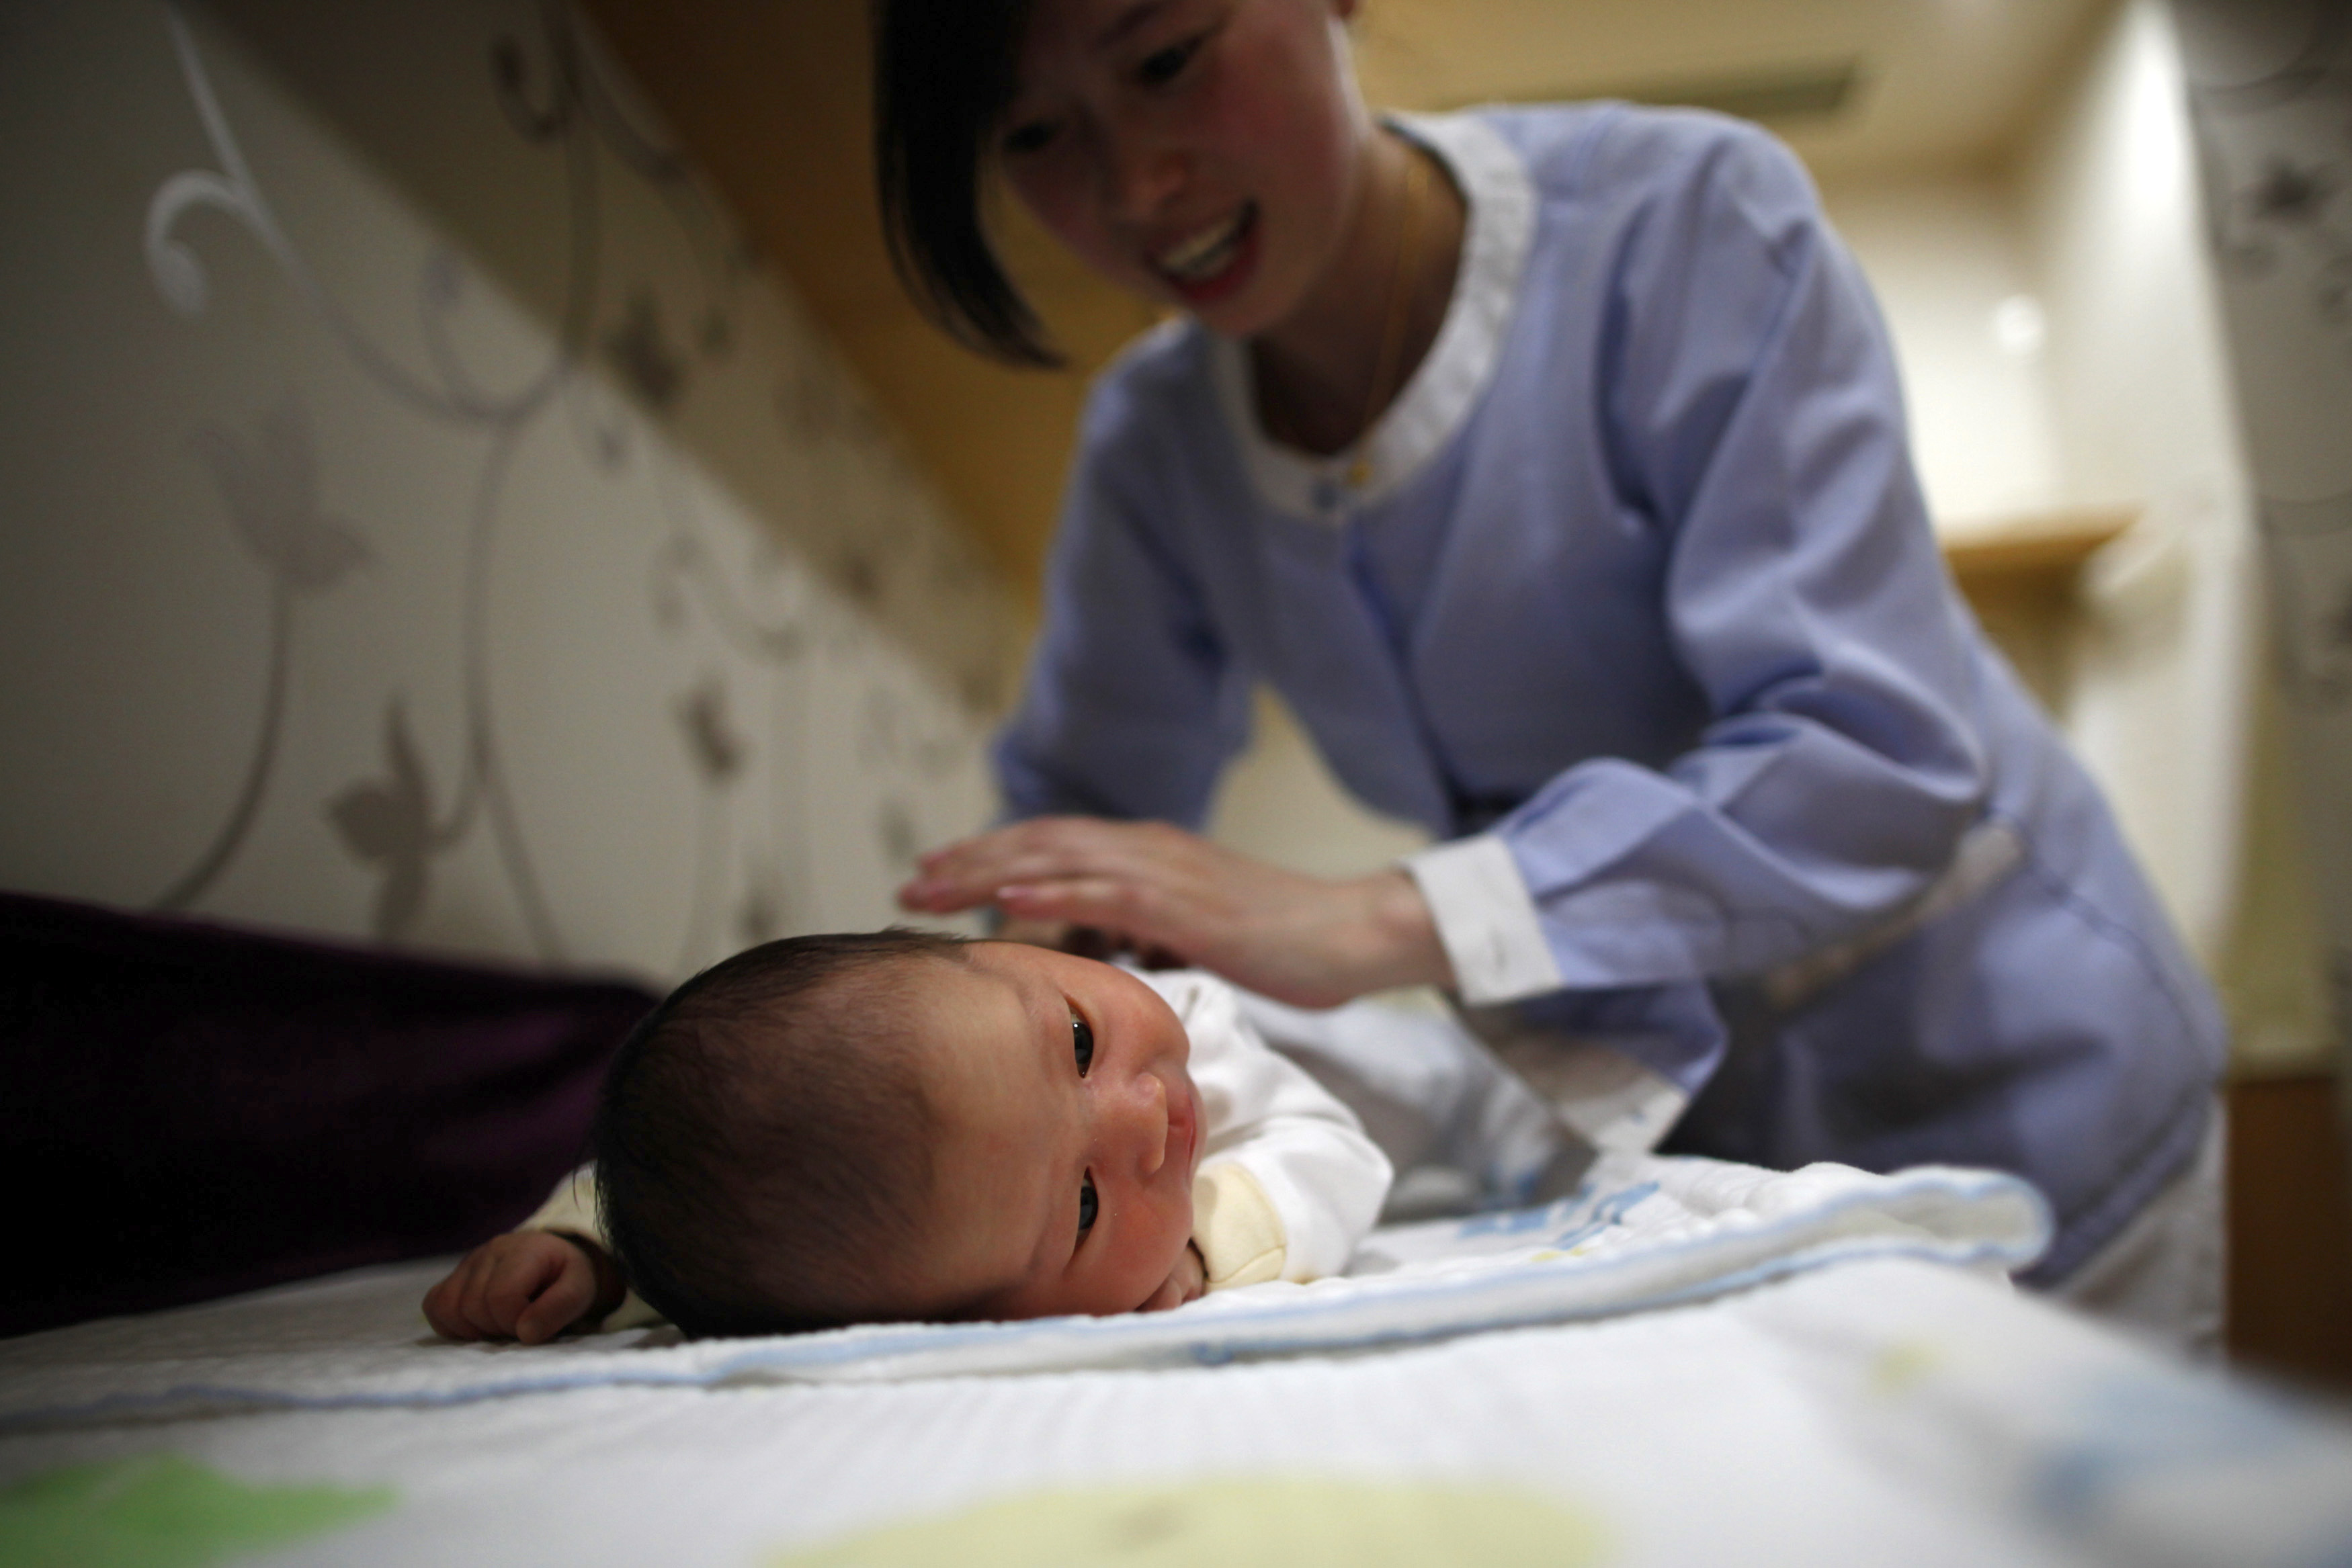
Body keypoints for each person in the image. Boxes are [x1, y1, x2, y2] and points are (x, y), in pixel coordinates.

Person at [877, 0, 2229, 1348]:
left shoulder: (1689, 221)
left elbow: (1868, 755)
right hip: (1715, 1171)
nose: (1136, 186)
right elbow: (1073, 845)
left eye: (1167, 61)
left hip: (2022, 1083)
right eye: (1038, 135)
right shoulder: (1153, 450)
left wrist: (1369, 921)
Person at [423, 930, 1396, 1342]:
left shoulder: (1196, 1023)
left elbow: (1336, 1147)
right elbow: (706, 1195)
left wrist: (1204, 1239)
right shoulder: (854, 1198)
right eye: (1087, 1205)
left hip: (1404, 1059)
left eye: (1076, 1037)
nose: (1145, 1114)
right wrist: (594, 1250)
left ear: (981, 947)